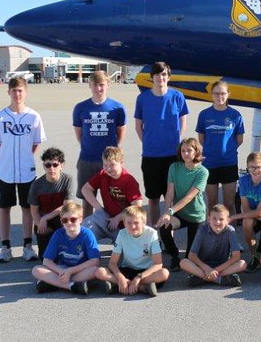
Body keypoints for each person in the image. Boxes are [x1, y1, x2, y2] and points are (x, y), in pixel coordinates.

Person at [0, 75, 46, 263]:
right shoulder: (0, 116)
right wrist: (9, 158)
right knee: (4, 207)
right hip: (4, 171)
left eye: (20, 90)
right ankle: (5, 248)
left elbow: (35, 144)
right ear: (9, 92)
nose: (17, 94)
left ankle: (27, 246)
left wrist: (24, 157)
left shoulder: (33, 117)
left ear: (26, 92)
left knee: (27, 207)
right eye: (14, 91)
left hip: (26, 171)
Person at [134, 61, 189, 229]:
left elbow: (183, 122)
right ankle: (154, 232)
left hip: (172, 156)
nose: (161, 77)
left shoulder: (177, 96)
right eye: (157, 74)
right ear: (152, 77)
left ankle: (168, 233)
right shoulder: (142, 99)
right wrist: (148, 143)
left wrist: (176, 142)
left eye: (164, 74)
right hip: (151, 156)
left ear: (169, 77)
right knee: (153, 198)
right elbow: (138, 126)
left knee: (170, 198)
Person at [72, 70, 127, 217]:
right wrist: (88, 147)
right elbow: (79, 134)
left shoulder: (117, 108)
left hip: (109, 162)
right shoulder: (80, 108)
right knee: (87, 200)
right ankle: (88, 227)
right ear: (90, 85)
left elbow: (120, 132)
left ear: (108, 85)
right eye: (95, 85)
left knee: (114, 197)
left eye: (102, 84)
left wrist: (112, 153)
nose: (98, 88)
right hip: (87, 159)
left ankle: (115, 226)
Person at [95, 205, 170, 296]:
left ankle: (119, 285)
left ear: (144, 222)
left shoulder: (152, 234)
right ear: (124, 223)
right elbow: (112, 263)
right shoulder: (122, 234)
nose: (132, 226)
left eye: (136, 222)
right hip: (127, 269)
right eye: (129, 223)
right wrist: (121, 277)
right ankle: (141, 288)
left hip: (146, 272)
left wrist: (138, 277)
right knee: (100, 272)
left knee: (164, 273)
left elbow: (158, 264)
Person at [159, 138, 209, 271]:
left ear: (196, 152)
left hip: (196, 216)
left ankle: (191, 258)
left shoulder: (203, 172)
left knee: (189, 259)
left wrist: (170, 211)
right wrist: (167, 213)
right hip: (180, 213)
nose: (185, 153)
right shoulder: (174, 167)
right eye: (183, 151)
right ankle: (174, 255)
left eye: (189, 150)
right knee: (164, 228)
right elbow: (170, 192)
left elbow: (189, 197)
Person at [196, 79, 244, 215]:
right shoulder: (204, 114)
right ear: (212, 94)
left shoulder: (235, 115)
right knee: (212, 203)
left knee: (229, 203)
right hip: (209, 163)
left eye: (223, 93)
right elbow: (201, 139)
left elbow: (239, 139)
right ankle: (212, 228)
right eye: (216, 93)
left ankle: (230, 228)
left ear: (228, 94)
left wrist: (227, 150)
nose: (219, 97)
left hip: (229, 163)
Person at [31, 201, 100, 294]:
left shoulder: (87, 234)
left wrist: (70, 271)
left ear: (80, 219)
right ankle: (71, 286)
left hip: (80, 269)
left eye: (73, 219)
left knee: (95, 270)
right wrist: (61, 271)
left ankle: (53, 282)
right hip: (62, 269)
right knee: (36, 270)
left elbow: (95, 261)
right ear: (61, 221)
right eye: (65, 220)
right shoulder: (58, 234)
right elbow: (46, 261)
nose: (69, 223)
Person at [80, 146, 143, 243]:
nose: (108, 169)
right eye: (105, 165)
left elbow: (137, 206)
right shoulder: (103, 174)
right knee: (85, 226)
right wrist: (99, 209)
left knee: (127, 246)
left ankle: (121, 243)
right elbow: (85, 189)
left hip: (125, 223)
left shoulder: (129, 180)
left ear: (121, 162)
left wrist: (118, 218)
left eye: (112, 165)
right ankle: (89, 248)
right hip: (107, 219)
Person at [231, 151, 261, 270]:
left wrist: (233, 217)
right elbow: (246, 209)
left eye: (258, 167)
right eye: (252, 167)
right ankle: (255, 256)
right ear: (247, 167)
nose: (255, 170)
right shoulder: (243, 181)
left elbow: (258, 212)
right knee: (246, 222)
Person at [180, 204, 247, 287]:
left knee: (242, 264)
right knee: (184, 262)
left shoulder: (230, 231)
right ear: (209, 219)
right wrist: (207, 268)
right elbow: (192, 255)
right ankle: (219, 279)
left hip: (223, 266)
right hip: (204, 265)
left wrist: (215, 270)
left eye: (221, 219)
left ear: (228, 220)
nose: (217, 222)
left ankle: (203, 278)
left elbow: (236, 256)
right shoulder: (202, 230)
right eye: (214, 218)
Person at [28, 147, 77, 258]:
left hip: (62, 219)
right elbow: (34, 211)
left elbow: (67, 206)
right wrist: (40, 224)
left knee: (66, 256)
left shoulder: (67, 180)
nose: (51, 168)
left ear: (61, 165)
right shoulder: (36, 185)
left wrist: (46, 218)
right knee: (45, 257)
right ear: (43, 166)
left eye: (55, 165)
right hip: (44, 222)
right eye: (48, 165)